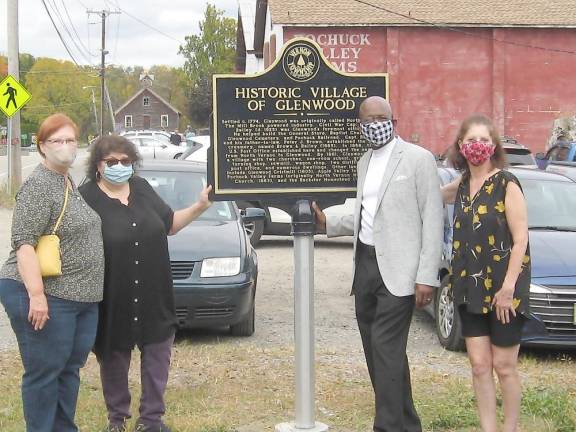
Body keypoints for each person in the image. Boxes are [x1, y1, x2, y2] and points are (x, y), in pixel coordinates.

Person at [313, 96, 443, 432]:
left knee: (385, 347)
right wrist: (327, 223)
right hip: (366, 268)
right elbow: (365, 215)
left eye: (381, 118)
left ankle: (386, 427)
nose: (375, 124)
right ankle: (407, 424)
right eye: (368, 120)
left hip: (401, 272)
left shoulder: (418, 159)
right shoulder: (364, 162)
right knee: (381, 354)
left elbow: (433, 220)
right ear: (360, 125)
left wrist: (427, 276)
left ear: (393, 120)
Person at [79, 135, 212, 432]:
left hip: (154, 292)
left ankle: (151, 419)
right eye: (111, 162)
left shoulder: (141, 188)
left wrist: (200, 206)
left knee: (157, 356)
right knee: (114, 358)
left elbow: (170, 224)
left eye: (125, 161)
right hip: (114, 293)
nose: (119, 166)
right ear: (98, 166)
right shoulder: (86, 197)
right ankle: (117, 419)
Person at [0, 113, 104, 431]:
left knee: (68, 370)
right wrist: (36, 295)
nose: (65, 147)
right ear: (42, 146)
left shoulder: (65, 181)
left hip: (79, 299)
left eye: (70, 140)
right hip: (47, 295)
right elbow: (24, 244)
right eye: (57, 141)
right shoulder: (38, 186)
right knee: (44, 372)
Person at [441, 114, 530, 432]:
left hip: (505, 290)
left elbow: (521, 239)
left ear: (494, 146)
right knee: (479, 366)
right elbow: (430, 197)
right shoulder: (463, 184)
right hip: (470, 288)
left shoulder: (507, 183)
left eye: (484, 140)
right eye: (471, 140)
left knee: (504, 366)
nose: (477, 146)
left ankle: (511, 428)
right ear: (461, 146)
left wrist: (508, 288)